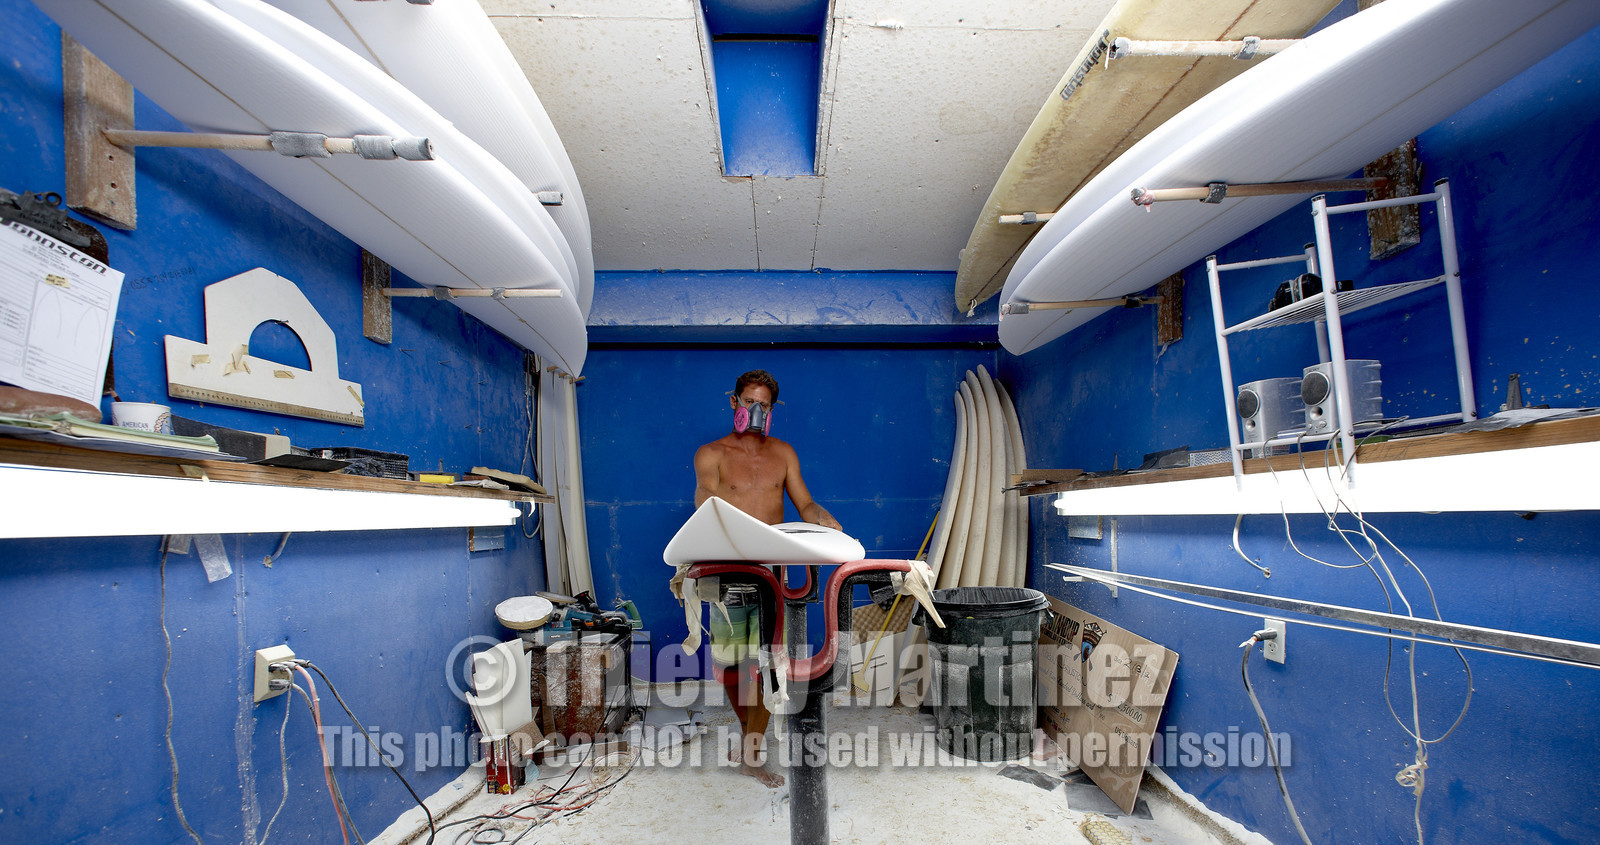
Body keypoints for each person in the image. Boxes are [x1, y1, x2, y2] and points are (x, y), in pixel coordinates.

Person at [692, 369, 841, 788]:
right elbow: (704, 497)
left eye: (765, 405)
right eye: (749, 402)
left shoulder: (783, 453)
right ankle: (748, 735)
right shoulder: (712, 453)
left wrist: (824, 519)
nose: (756, 412)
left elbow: (805, 503)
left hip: (771, 574)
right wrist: (710, 518)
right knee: (729, 667)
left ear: (773, 409)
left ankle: (752, 751)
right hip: (725, 570)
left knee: (768, 668)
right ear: (734, 402)